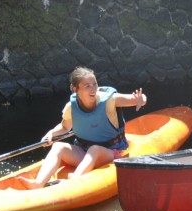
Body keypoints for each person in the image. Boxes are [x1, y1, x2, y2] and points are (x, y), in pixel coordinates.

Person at [17, 66, 147, 189]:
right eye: (87, 86)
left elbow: (136, 99)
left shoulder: (109, 100)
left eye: (95, 84)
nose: (93, 89)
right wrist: (51, 133)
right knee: (58, 146)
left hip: (112, 153)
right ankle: (38, 183)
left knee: (95, 149)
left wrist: (141, 99)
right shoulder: (71, 107)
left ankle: (72, 183)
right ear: (75, 90)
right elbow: (64, 127)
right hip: (85, 152)